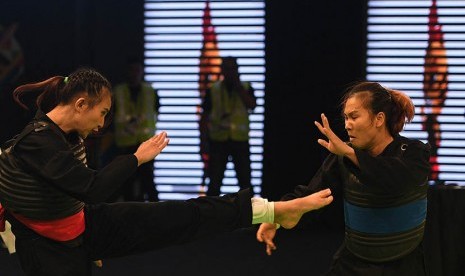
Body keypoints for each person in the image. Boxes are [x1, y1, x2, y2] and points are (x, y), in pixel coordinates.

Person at [0, 67, 334, 276]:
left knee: (178, 216)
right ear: (81, 105)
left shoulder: (66, 134)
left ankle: (272, 210)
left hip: (82, 228)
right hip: (50, 249)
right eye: (101, 113)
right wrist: (137, 158)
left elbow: (74, 195)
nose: (102, 124)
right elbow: (92, 188)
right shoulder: (36, 142)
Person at [256, 82, 431, 275]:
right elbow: (312, 195)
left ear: (379, 119)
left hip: (404, 264)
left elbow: (393, 180)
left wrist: (349, 153)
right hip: (354, 262)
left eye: (354, 117)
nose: (347, 125)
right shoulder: (344, 156)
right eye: (346, 118)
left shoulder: (415, 152)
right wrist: (277, 216)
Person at [201, 56, 256, 196]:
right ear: (222, 70)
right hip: (218, 141)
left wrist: (239, 87)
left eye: (233, 69)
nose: (230, 72)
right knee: (214, 182)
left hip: (240, 140)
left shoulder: (246, 87)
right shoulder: (213, 89)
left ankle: (250, 215)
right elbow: (204, 117)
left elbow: (252, 105)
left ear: (238, 70)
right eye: (227, 68)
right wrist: (203, 140)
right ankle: (210, 215)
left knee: (245, 182)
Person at [112, 57, 160, 201]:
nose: (134, 74)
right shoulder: (117, 92)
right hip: (125, 145)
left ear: (142, 72)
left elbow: (155, 113)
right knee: (127, 184)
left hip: (146, 144)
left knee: (148, 182)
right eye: (131, 70)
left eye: (137, 70)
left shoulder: (150, 91)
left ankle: (156, 214)